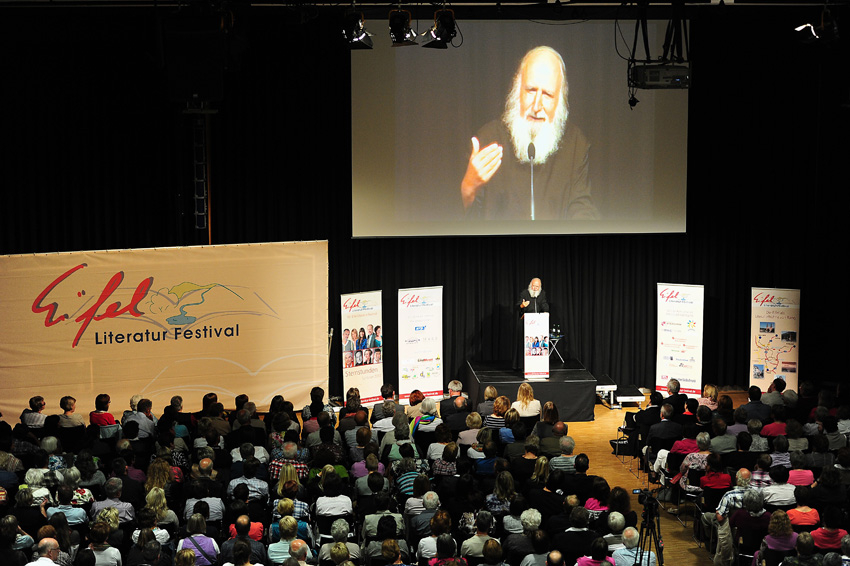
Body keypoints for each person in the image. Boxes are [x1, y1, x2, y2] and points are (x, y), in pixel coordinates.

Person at [460, 46, 597, 220]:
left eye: (547, 94)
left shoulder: (575, 143)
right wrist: (469, 186)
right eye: (531, 90)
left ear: (560, 101)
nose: (537, 106)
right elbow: (465, 221)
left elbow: (583, 210)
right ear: (518, 91)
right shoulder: (488, 138)